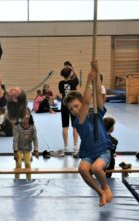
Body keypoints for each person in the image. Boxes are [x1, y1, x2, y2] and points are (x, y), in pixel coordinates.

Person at [64, 60, 113, 207]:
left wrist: (96, 74)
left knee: (96, 168)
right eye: (71, 109)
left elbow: (97, 94)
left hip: (103, 151)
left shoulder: (96, 114)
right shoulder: (78, 122)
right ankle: (100, 191)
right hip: (88, 154)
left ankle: (105, 187)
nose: (74, 110)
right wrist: (89, 80)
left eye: (75, 106)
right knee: (83, 169)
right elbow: (86, 102)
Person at [58, 61, 79, 155]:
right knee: (75, 126)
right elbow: (76, 77)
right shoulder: (74, 81)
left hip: (64, 106)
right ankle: (75, 146)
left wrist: (68, 69)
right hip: (73, 106)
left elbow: (61, 92)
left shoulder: (60, 83)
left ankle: (66, 146)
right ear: (70, 73)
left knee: (65, 126)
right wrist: (71, 68)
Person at [13, 108, 39, 180]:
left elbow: (35, 139)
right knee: (18, 164)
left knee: (27, 164)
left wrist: (36, 150)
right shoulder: (17, 127)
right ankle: (16, 179)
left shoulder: (32, 127)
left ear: (30, 115)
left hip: (27, 149)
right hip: (18, 148)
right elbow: (15, 140)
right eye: (23, 115)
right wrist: (15, 152)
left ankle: (29, 179)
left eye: (27, 114)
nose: (25, 116)